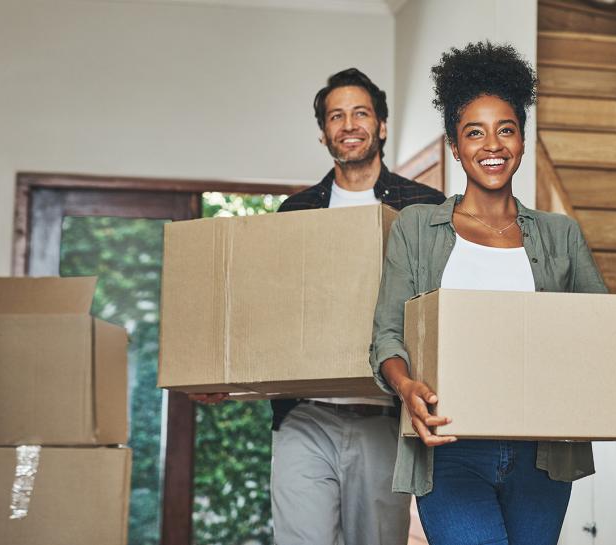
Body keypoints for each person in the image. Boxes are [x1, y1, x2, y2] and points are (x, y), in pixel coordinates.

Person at [369, 42, 616, 545]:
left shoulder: (561, 235)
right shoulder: (417, 228)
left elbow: (609, 334)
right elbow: (387, 335)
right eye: (475, 132)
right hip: (449, 448)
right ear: (454, 144)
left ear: (523, 141)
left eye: (506, 129)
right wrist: (406, 389)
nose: (493, 144)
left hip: (544, 454)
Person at [191, 67, 445, 545]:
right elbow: (266, 315)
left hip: (384, 418)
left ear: (382, 125)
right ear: (324, 132)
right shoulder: (296, 212)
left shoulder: (425, 208)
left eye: (361, 113)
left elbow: (440, 311)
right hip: (305, 418)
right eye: (336, 116)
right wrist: (222, 378)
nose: (349, 125)